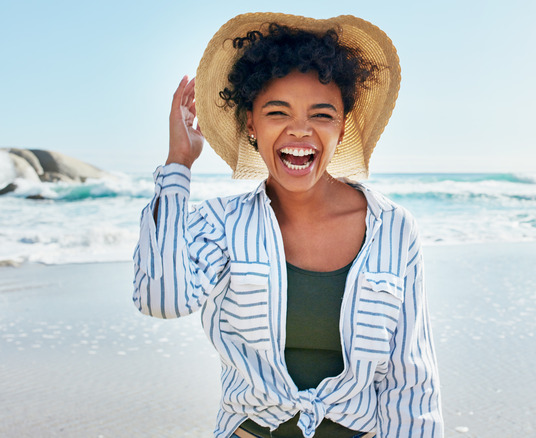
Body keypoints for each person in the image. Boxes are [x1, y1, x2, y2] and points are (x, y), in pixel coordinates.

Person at [132, 12, 443, 438]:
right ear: (251, 125)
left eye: (322, 114)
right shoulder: (221, 224)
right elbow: (160, 298)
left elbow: (412, 380)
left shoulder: (392, 228)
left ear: (342, 126)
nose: (300, 130)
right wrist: (178, 165)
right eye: (277, 112)